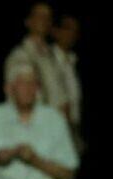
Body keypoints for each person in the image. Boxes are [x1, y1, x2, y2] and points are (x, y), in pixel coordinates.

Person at [5, 3, 68, 118]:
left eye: (48, 17)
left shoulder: (53, 56)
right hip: (34, 123)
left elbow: (63, 96)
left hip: (57, 123)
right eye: (39, 16)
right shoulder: (19, 55)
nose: (44, 20)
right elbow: (17, 97)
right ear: (28, 21)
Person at [51, 12, 83, 140]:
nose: (71, 34)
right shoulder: (47, 60)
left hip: (74, 127)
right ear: (55, 31)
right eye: (67, 28)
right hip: (54, 127)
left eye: (75, 30)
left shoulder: (73, 60)